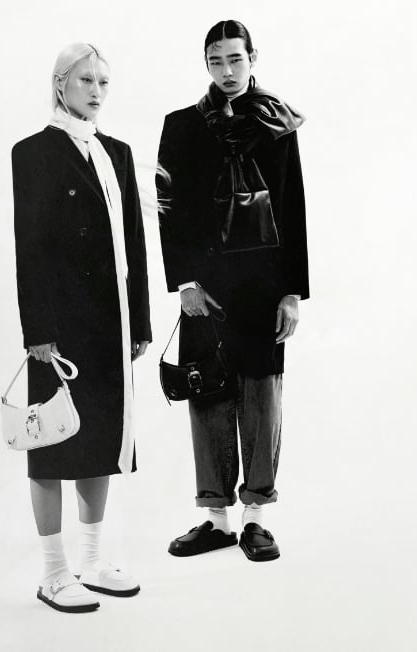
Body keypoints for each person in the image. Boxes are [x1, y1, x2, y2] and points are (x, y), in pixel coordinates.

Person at [157, 20, 309, 562]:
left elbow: (292, 205)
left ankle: (256, 517)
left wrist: (292, 291)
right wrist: (185, 282)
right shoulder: (181, 125)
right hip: (206, 285)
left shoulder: (277, 122)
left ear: (252, 58)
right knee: (207, 393)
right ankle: (215, 518)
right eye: (216, 61)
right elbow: (169, 209)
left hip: (264, 283)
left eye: (235, 59)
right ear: (206, 63)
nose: (226, 71)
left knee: (262, 398)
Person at [11, 43, 151, 613]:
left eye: (104, 82)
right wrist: (38, 330)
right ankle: (53, 572)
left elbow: (135, 243)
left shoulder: (118, 153)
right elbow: (30, 247)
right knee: (51, 441)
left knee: (101, 438)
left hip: (111, 322)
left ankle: (91, 561)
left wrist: (139, 320)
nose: (96, 91)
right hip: (59, 325)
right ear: (60, 83)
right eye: (86, 80)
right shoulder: (33, 153)